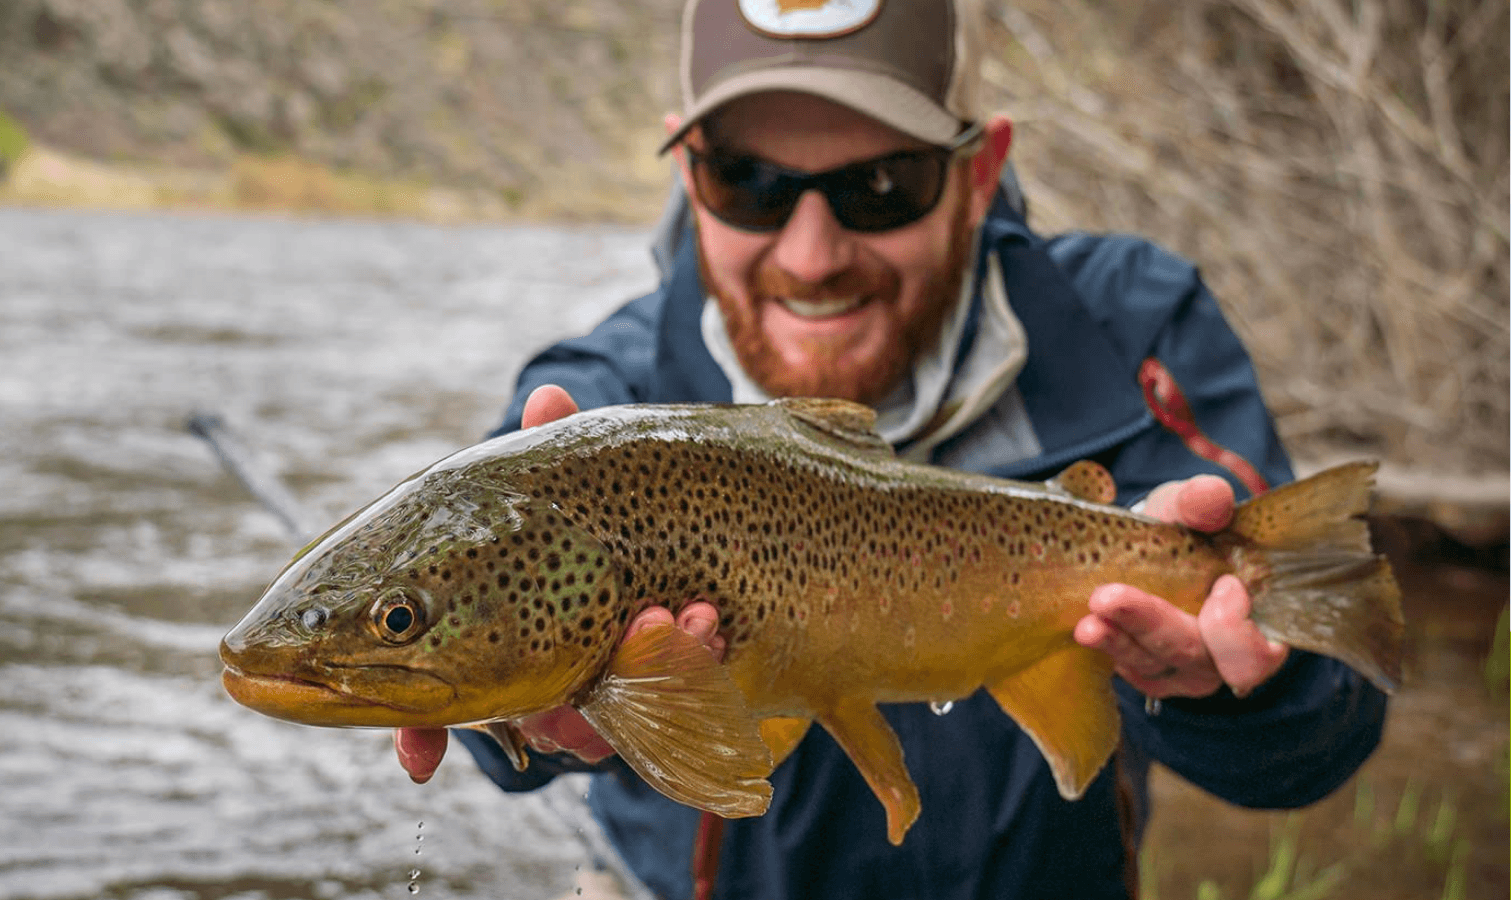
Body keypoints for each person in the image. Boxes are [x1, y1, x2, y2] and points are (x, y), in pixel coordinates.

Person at [394, 1, 1388, 897]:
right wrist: (536, 726)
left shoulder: (1129, 332)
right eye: (748, 182)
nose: (813, 254)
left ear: (980, 168)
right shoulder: (599, 399)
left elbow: (1322, 738)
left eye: (879, 184)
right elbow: (473, 679)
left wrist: (1235, 686)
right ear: (686, 168)